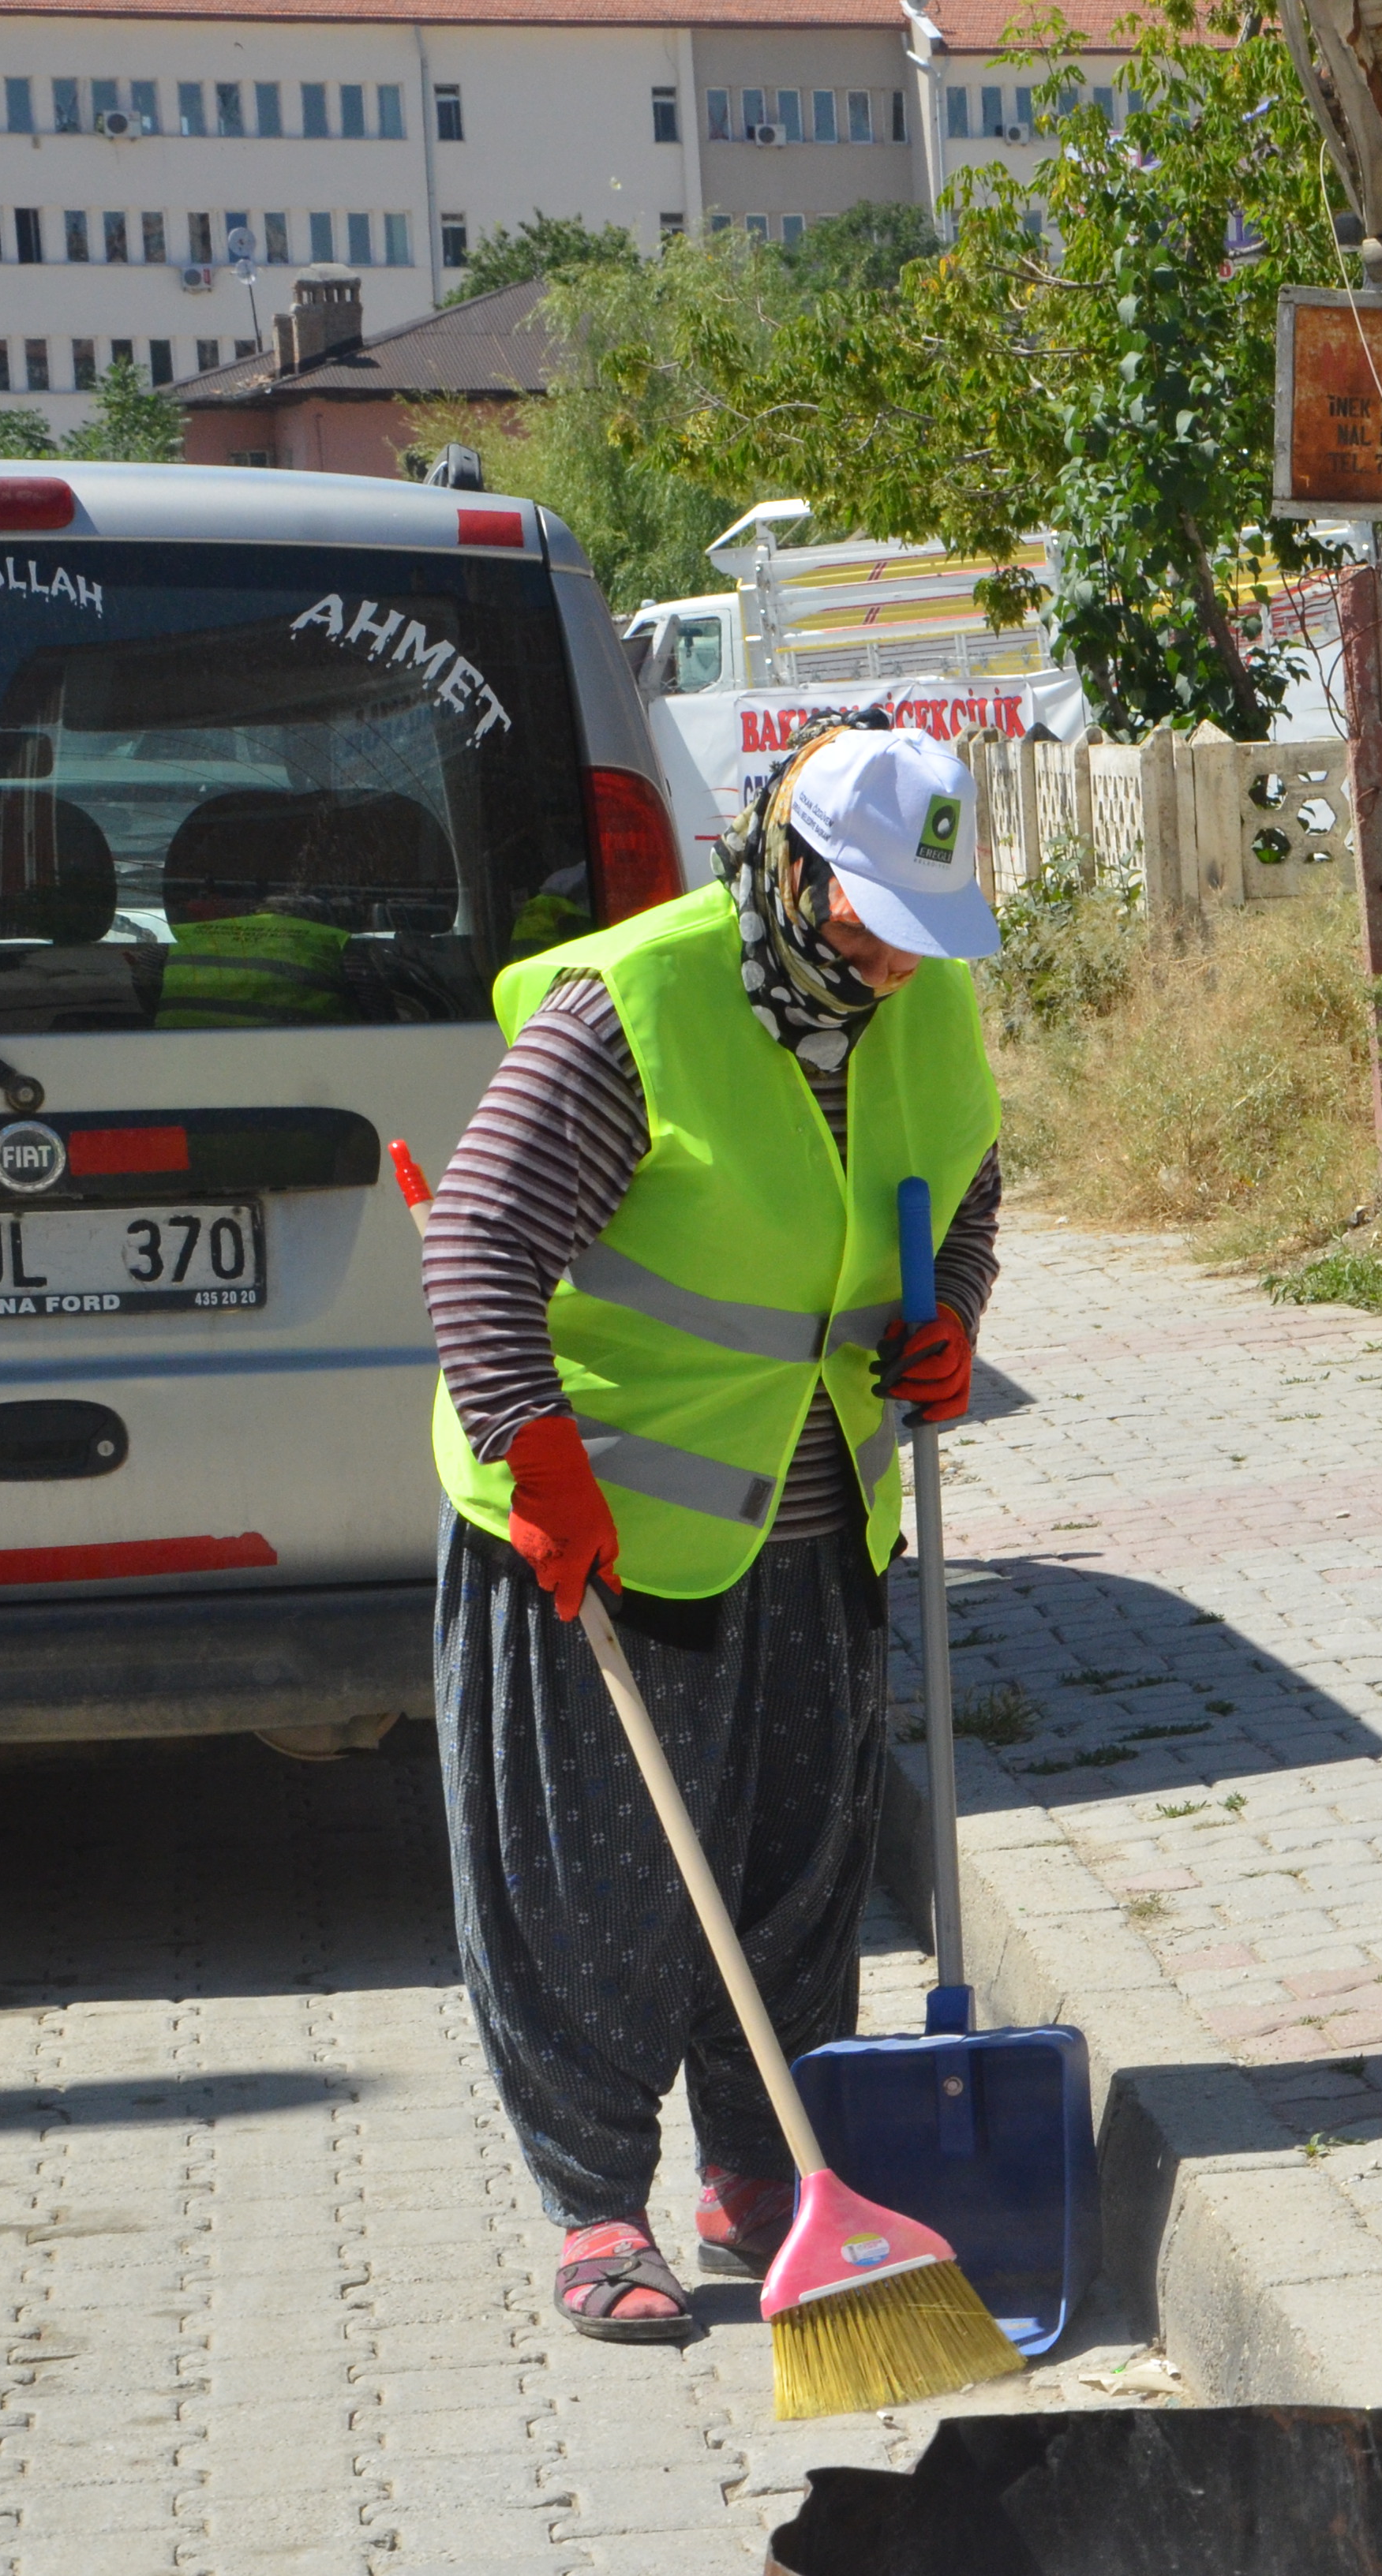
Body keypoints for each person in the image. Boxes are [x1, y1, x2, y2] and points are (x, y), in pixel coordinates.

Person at [422, 721, 1006, 2341]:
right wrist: (537, 1459)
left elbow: (964, 1191)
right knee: (592, 1886)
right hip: (603, 1516)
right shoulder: (641, 1007)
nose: (894, 959)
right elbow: (475, 1246)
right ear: (788, 865)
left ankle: (767, 2173)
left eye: (923, 925)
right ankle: (596, 2207)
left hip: (816, 1511)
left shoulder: (927, 997)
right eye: (868, 915)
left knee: (798, 1869)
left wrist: (944, 1315)